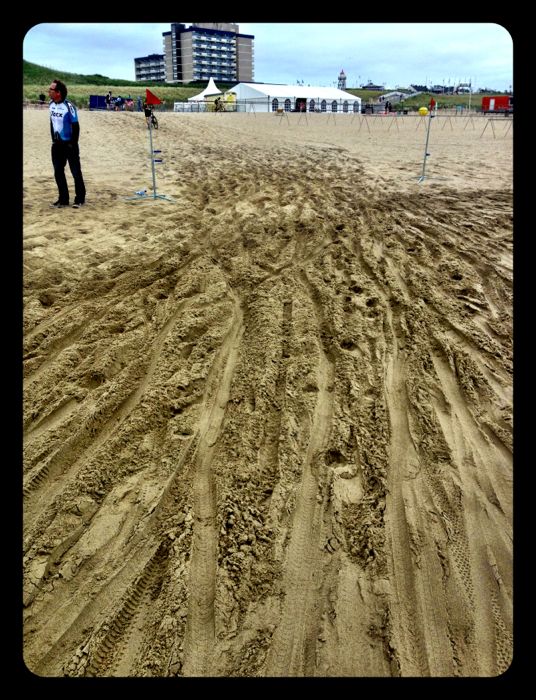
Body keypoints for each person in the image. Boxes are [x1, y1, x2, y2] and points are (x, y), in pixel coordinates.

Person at [48, 79, 86, 208]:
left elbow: (76, 126)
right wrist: (53, 139)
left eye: (51, 90)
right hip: (57, 144)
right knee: (58, 171)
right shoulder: (51, 104)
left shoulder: (69, 106)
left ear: (58, 92)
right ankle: (63, 199)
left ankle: (80, 199)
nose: (49, 91)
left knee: (75, 172)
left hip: (69, 144)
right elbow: (52, 123)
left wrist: (72, 144)